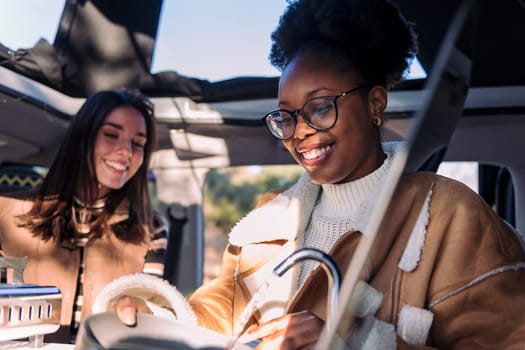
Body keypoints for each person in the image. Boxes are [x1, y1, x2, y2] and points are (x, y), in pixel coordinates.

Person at [96, 0, 525, 348]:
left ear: (376, 103)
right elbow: (217, 314)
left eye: (320, 108)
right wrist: (155, 317)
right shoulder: (268, 218)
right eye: (286, 117)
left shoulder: (449, 216)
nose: (299, 132)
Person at [0, 89, 167, 343]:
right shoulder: (7, 210)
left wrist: (143, 310)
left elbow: (152, 307)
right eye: (111, 134)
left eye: (138, 143)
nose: (126, 151)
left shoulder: (151, 228)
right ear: (82, 138)